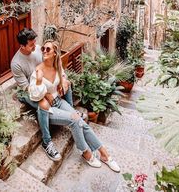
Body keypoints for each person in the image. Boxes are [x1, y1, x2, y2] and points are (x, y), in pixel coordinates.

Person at [29, 40, 121, 172]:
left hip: (60, 102)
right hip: (49, 109)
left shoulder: (57, 67)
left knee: (82, 123)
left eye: (47, 49)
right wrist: (38, 81)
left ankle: (104, 154)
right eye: (43, 48)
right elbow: (34, 95)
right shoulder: (38, 71)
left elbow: (64, 80)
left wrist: (64, 81)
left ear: (55, 53)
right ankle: (85, 152)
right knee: (76, 119)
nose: (44, 51)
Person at [11, 28, 73, 161]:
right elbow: (27, 88)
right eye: (31, 45)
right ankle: (47, 142)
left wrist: (63, 78)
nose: (36, 46)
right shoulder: (16, 63)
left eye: (35, 43)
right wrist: (46, 94)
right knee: (43, 103)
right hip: (28, 91)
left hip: (43, 84)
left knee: (67, 83)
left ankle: (72, 114)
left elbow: (55, 65)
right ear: (22, 46)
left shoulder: (39, 49)